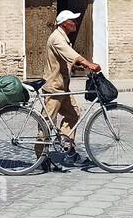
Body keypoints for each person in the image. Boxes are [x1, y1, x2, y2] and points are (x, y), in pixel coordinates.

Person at [39, 9, 101, 172]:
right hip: (54, 87)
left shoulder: (62, 37)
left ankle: (69, 150)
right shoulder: (57, 38)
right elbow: (70, 54)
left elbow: (66, 59)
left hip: (62, 87)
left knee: (73, 114)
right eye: (72, 21)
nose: (75, 23)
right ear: (64, 23)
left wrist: (80, 64)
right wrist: (88, 64)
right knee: (46, 122)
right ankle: (40, 157)